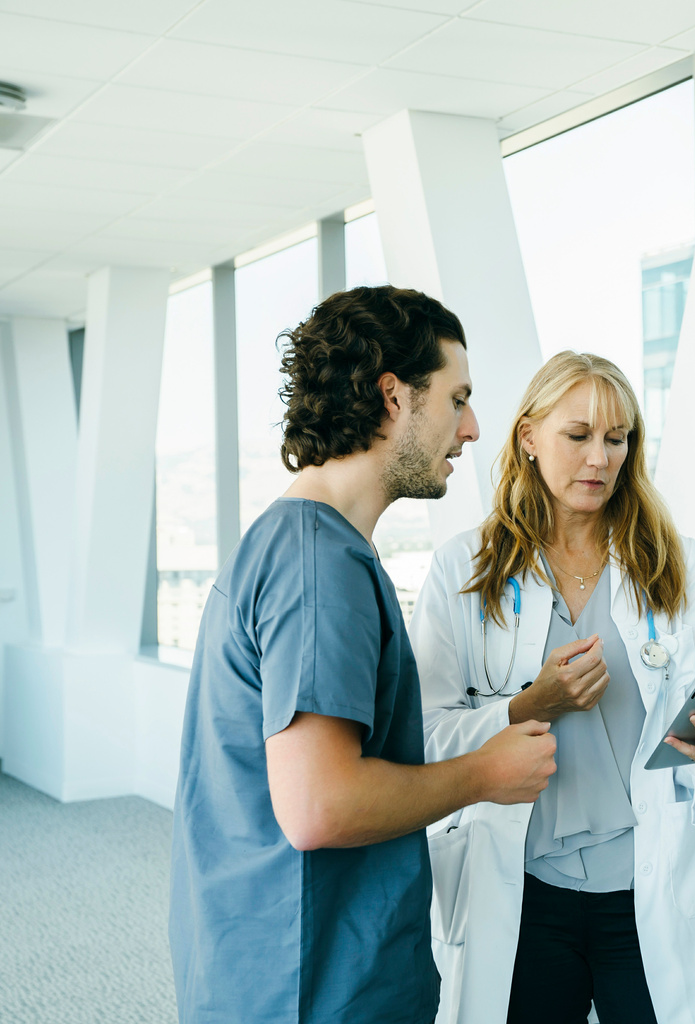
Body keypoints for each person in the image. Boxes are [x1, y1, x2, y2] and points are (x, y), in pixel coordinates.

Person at [169, 286, 558, 1024]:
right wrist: (486, 773)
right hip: (315, 987)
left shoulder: (297, 544)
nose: (473, 428)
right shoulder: (320, 565)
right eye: (457, 398)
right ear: (393, 398)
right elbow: (321, 805)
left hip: (275, 966)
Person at [409, 351, 695, 1024]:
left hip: (650, 887)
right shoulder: (464, 570)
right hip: (526, 892)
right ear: (528, 437)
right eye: (578, 435)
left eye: (617, 439)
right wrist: (530, 706)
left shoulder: (674, 563)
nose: (600, 458)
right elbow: (427, 736)